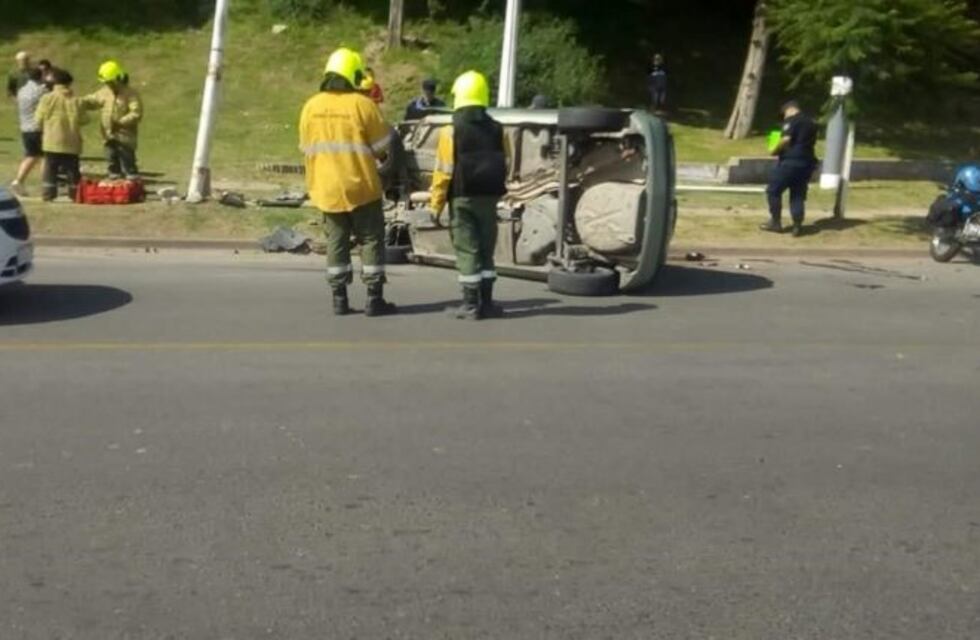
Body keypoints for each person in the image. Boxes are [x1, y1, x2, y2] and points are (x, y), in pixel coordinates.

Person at [299, 47, 397, 317]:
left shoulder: (311, 107)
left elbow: (305, 147)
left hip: (327, 188)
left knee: (336, 241)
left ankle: (339, 299)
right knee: (371, 239)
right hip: (361, 185)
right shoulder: (363, 105)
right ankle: (374, 299)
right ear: (353, 75)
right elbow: (382, 147)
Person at [429, 70, 509, 321]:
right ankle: (488, 303)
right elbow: (506, 162)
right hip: (490, 198)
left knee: (467, 250)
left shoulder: (451, 131)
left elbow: (443, 172)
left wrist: (435, 206)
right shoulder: (498, 129)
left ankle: (470, 305)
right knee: (486, 250)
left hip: (462, 199)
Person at [761, 100, 818, 237]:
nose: (784, 118)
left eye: (783, 115)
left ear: (788, 110)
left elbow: (786, 139)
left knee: (773, 191)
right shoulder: (811, 122)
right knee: (797, 194)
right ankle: (797, 225)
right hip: (807, 162)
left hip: (790, 162)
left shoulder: (792, 120)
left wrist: (774, 150)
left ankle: (775, 222)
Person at [80, 60, 143, 179]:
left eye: (110, 82)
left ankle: (132, 180)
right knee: (111, 160)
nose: (108, 85)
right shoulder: (105, 92)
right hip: (108, 135)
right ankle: (115, 179)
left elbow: (136, 113)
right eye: (106, 82)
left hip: (125, 136)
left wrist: (121, 122)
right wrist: (78, 102)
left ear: (117, 79)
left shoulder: (130, 93)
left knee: (127, 160)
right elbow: (92, 100)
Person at [35, 68, 85, 202]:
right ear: (69, 83)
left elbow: (38, 119)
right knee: (72, 170)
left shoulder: (46, 98)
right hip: (72, 140)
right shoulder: (76, 100)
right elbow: (85, 119)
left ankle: (48, 193)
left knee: (50, 168)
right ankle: (75, 194)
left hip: (51, 140)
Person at [10, 67, 47, 195]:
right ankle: (46, 184)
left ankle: (18, 181)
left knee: (31, 156)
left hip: (25, 127)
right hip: (38, 128)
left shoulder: (22, 90)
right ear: (41, 76)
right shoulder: (41, 90)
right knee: (45, 157)